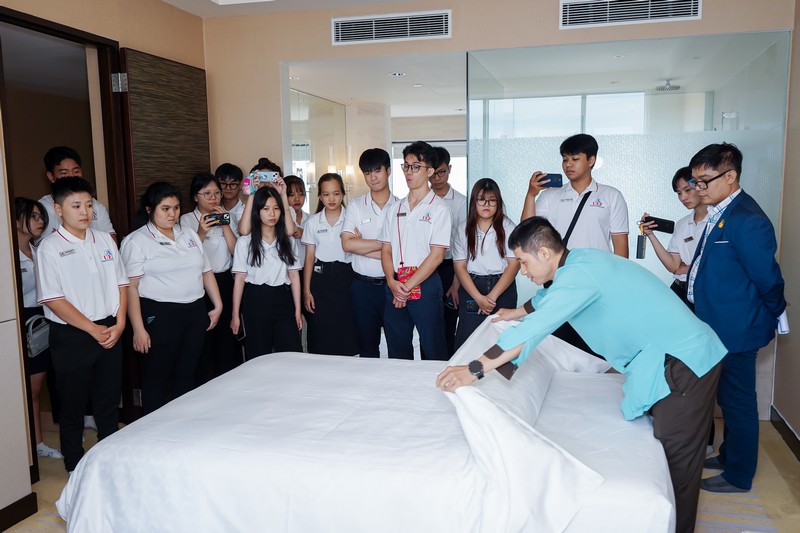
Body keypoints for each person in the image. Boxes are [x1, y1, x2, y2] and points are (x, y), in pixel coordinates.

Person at [436, 216, 726, 533]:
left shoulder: (577, 275)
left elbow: (536, 327)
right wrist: (516, 312)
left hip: (684, 361)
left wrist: (475, 369)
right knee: (667, 451)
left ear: (544, 253)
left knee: (676, 463)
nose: (522, 270)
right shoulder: (579, 261)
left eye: (523, 261)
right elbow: (548, 299)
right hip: (672, 355)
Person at [685, 143, 786, 494]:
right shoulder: (722, 211)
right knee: (727, 400)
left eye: (704, 181)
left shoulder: (748, 218)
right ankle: (729, 456)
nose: (698, 188)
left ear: (730, 176)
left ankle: (739, 475)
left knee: (738, 402)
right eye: (695, 181)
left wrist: (775, 311)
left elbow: (767, 277)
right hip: (718, 324)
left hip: (736, 328)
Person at [34, 177, 129, 473]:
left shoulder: (104, 240)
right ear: (58, 209)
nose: (85, 211)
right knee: (72, 404)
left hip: (111, 328)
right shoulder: (49, 248)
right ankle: (74, 463)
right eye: (76, 206)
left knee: (108, 401)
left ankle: (108, 460)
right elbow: (53, 299)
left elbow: (122, 284)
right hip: (73, 334)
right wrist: (91, 328)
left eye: (88, 205)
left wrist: (120, 323)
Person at [521, 133, 629, 355]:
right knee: (560, 350)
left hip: (596, 285)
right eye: (564, 159)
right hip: (559, 282)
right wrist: (531, 195)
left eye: (575, 159)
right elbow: (527, 231)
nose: (568, 165)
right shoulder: (551, 196)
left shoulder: (611, 196)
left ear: (591, 160)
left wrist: (615, 288)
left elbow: (621, 249)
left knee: (596, 351)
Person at [121, 182, 223, 415]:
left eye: (176, 208)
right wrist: (138, 329)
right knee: (157, 376)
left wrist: (218, 305)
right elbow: (130, 288)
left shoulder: (188, 234)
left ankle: (182, 423)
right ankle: (152, 428)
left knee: (186, 374)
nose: (172, 214)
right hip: (160, 314)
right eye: (165, 209)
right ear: (150, 210)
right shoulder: (136, 241)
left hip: (194, 312)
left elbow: (206, 271)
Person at [379, 141, 451, 360]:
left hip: (424, 284)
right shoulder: (395, 207)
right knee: (397, 348)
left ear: (429, 171)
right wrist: (392, 282)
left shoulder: (438, 208)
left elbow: (436, 256)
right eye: (406, 166)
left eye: (416, 167)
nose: (409, 172)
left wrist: (407, 287)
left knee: (432, 347)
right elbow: (386, 249)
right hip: (395, 283)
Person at [179, 173, 239, 381]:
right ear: (195, 196)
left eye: (216, 193)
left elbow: (236, 252)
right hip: (200, 283)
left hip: (225, 281)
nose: (213, 198)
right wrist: (201, 232)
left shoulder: (228, 217)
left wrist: (225, 225)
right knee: (203, 335)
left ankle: (227, 378)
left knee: (226, 335)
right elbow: (186, 257)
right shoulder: (186, 220)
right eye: (207, 193)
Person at [15, 197, 62, 459]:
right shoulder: (8, 254)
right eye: (33, 216)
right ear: (15, 220)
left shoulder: (39, 250)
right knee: (25, 388)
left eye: (41, 216)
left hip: (41, 319)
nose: (40, 221)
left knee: (36, 387)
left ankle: (37, 443)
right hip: (17, 320)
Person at [231, 186, 302, 358]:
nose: (272, 214)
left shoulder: (288, 241)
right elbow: (240, 279)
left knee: (292, 353)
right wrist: (235, 314)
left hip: (283, 298)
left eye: (276, 208)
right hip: (256, 300)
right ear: (257, 211)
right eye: (266, 209)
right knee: (258, 354)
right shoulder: (245, 242)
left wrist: (297, 310)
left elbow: (294, 276)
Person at [341, 148, 398, 357]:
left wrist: (362, 246)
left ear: (388, 171)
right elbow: (347, 245)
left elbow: (403, 252)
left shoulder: (401, 207)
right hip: (362, 287)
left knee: (398, 345)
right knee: (367, 348)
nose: (372, 177)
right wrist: (386, 246)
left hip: (393, 285)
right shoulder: (356, 206)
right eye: (367, 172)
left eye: (377, 170)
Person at [452, 178, 518, 349]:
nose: (486, 205)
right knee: (468, 341)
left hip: (502, 288)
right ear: (474, 202)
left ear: (498, 202)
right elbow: (459, 266)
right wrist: (478, 298)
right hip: (473, 287)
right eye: (481, 200)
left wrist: (491, 297)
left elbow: (514, 265)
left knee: (502, 340)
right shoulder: (463, 228)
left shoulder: (508, 227)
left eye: (492, 200)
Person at [302, 173, 358, 355]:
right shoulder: (312, 222)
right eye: (326, 194)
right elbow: (309, 258)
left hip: (347, 278)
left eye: (336, 193)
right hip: (320, 280)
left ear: (343, 194)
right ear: (320, 196)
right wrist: (307, 291)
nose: (331, 199)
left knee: (347, 328)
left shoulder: (352, 219)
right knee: (321, 330)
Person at [641, 167, 708, 304]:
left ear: (700, 186)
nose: (683, 197)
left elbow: (717, 265)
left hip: (706, 291)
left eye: (687, 190)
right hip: (680, 289)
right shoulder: (682, 224)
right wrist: (650, 234)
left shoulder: (718, 221)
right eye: (679, 193)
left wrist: (687, 268)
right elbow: (673, 266)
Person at [430, 146, 467, 356]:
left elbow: (464, 244)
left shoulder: (461, 202)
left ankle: (449, 367)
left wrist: (456, 282)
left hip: (450, 267)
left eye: (441, 172)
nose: (437, 178)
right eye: (433, 173)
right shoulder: (420, 200)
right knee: (428, 325)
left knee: (449, 323)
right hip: (425, 268)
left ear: (450, 169)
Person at [39, 146, 116, 241]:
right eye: (64, 173)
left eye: (76, 171)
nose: (71, 177)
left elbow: (111, 240)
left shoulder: (97, 206)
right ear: (51, 176)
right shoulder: (42, 209)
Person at [236, 157, 295, 238]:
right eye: (261, 179)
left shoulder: (288, 209)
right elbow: (244, 231)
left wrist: (283, 195)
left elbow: (289, 231)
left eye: (271, 179)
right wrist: (252, 192)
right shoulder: (243, 209)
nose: (266, 184)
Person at [216, 162, 245, 227]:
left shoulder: (246, 211)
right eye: (223, 184)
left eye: (233, 184)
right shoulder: (213, 209)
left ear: (240, 185)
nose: (228, 188)